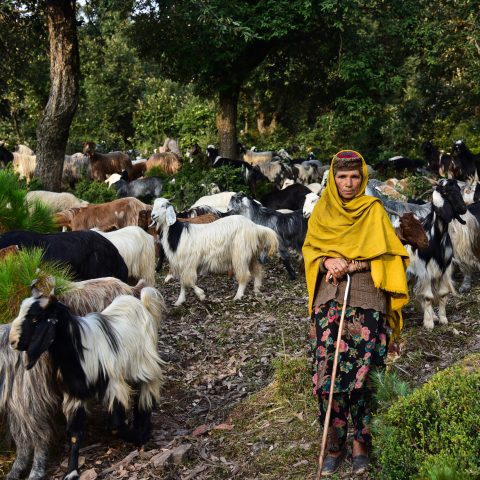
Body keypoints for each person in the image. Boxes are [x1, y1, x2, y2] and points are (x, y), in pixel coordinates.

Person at [302, 150, 409, 476]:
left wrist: (358, 262)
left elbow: (393, 254)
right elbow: (309, 250)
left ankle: (362, 442)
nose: (348, 183)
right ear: (333, 179)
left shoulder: (373, 210)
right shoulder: (322, 210)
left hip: (366, 301)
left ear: (362, 179)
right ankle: (334, 444)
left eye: (354, 177)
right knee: (328, 377)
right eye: (341, 176)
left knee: (363, 376)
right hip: (329, 300)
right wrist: (325, 261)